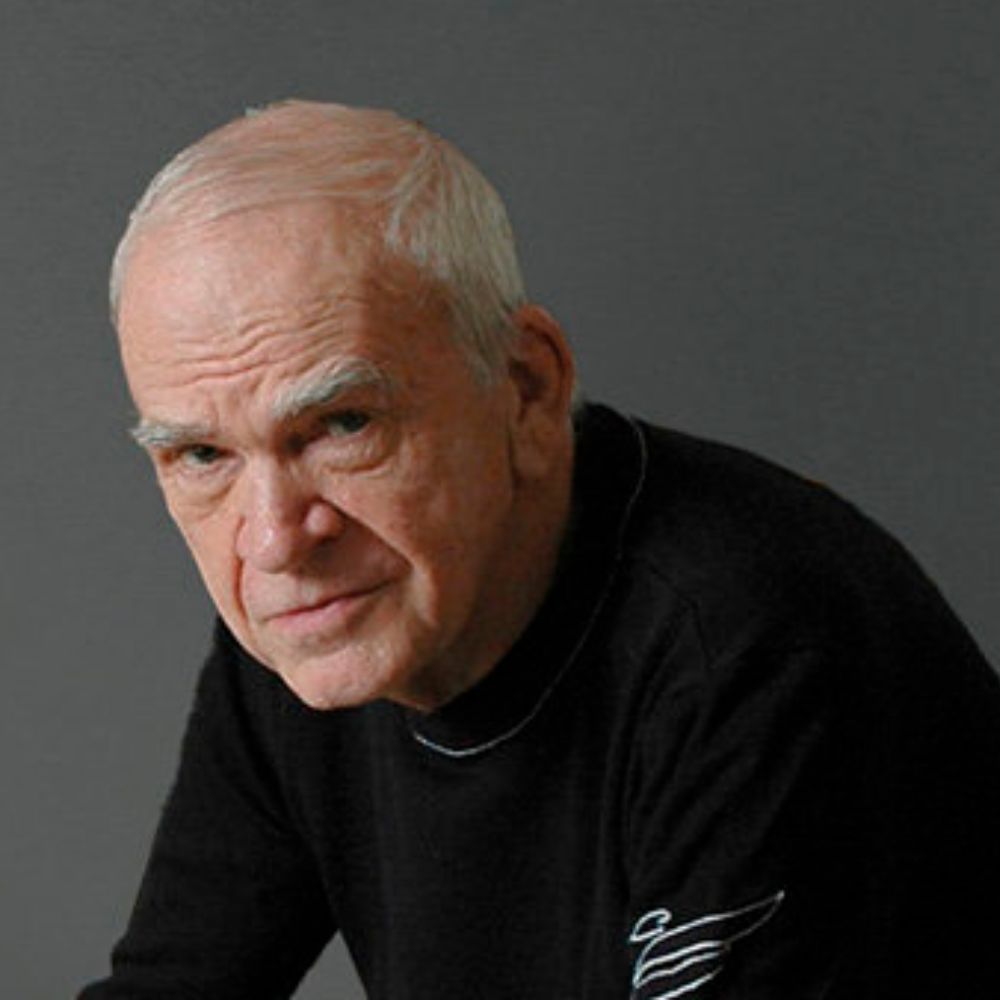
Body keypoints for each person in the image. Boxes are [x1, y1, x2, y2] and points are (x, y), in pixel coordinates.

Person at [80, 100, 1000, 999]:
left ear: (524, 387)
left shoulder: (754, 639)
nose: (276, 538)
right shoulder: (323, 611)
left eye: (344, 424)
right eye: (202, 455)